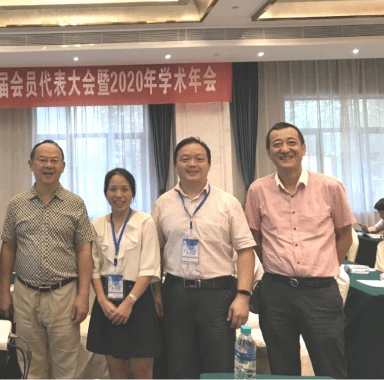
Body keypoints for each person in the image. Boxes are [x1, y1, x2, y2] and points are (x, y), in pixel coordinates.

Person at [245, 122, 355, 378]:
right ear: (269, 153)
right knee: (282, 368)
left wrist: (325, 265)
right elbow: (255, 238)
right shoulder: (257, 190)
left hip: (321, 292)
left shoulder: (329, 186)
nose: (285, 149)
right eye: (277, 144)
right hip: (276, 292)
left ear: (304, 148)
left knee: (330, 366)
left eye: (291, 142)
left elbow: (345, 236)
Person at [152, 137, 255, 379]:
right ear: (175, 164)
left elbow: (245, 250)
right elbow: (155, 251)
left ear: (209, 164)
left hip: (217, 295)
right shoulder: (162, 203)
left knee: (218, 364)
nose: (192, 164)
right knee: (178, 364)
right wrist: (157, 292)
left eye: (199, 159)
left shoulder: (227, 203)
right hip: (175, 293)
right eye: (185, 159)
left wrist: (243, 296)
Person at [0, 139, 93, 379]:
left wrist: (83, 295)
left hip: (63, 295)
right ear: (31, 164)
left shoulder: (76, 204)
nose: (48, 165)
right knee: (30, 364)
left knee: (66, 365)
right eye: (42, 160)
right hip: (25, 295)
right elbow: (8, 248)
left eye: (54, 160)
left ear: (63, 166)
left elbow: (84, 251)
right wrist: (5, 292)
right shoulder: (17, 204)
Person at [86, 168, 161, 379]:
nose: (118, 195)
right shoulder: (96, 224)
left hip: (138, 300)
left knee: (142, 372)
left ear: (133, 192)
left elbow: (149, 268)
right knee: (115, 372)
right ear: (105, 192)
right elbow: (93, 268)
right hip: (107, 302)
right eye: (113, 189)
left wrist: (129, 302)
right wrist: (102, 300)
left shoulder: (145, 222)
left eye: (124, 189)